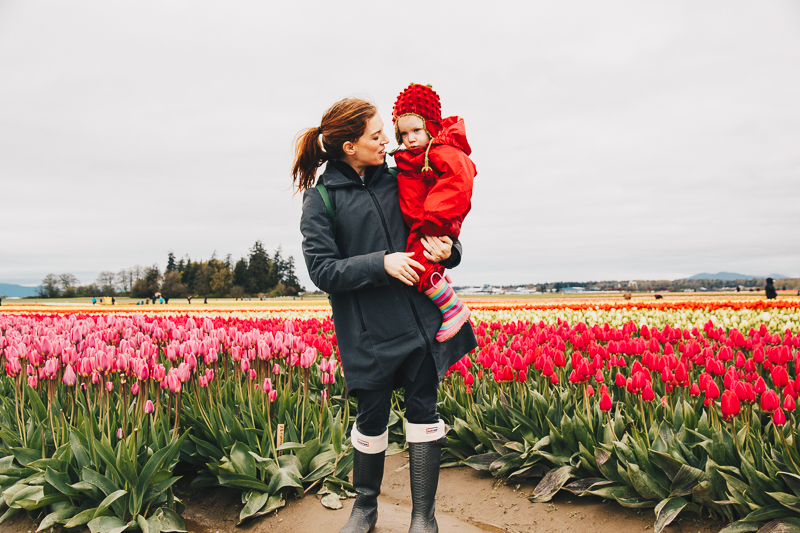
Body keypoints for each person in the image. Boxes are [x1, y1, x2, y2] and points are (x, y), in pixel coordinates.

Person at [294, 98, 477, 533]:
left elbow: (440, 227)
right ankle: (365, 507)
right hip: (367, 332)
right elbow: (322, 270)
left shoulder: (402, 178)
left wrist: (450, 250)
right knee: (371, 417)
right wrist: (382, 263)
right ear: (348, 146)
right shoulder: (320, 200)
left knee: (423, 412)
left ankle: (422, 516)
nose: (388, 142)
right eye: (376, 136)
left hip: (420, 324)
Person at [391, 83, 476, 342]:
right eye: (404, 134)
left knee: (417, 264)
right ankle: (442, 287)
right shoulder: (411, 159)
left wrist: (435, 217)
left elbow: (459, 181)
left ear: (432, 127)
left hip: (433, 221)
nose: (411, 138)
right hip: (422, 220)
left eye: (417, 130)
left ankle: (453, 307)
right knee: (421, 264)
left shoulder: (444, 152)